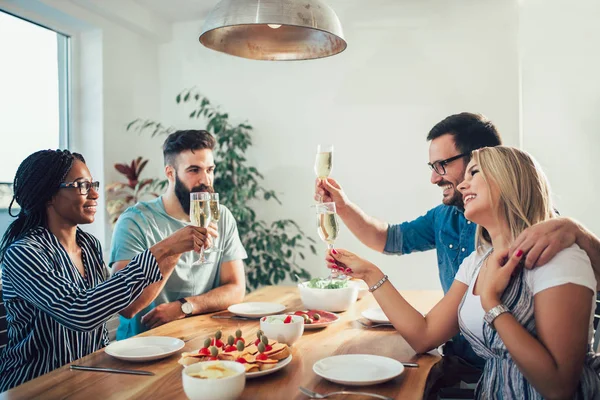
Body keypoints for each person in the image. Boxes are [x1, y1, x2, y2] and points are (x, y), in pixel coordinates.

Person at [315, 112, 600, 368]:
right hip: (463, 361)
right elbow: (387, 238)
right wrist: (342, 206)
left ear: (486, 159)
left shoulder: (546, 235)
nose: (434, 178)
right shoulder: (462, 238)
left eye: (441, 165)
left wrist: (578, 232)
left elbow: (559, 380)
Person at [0, 150, 208, 391]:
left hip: (88, 374)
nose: (95, 194)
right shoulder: (24, 253)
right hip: (36, 386)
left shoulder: (88, 246)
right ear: (48, 195)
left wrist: (173, 250)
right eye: (81, 186)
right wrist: (162, 249)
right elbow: (82, 312)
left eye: (93, 184)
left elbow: (118, 304)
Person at [110, 130, 247, 339]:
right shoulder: (135, 222)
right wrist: (174, 249)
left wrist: (185, 307)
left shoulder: (222, 216)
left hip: (200, 340)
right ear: (170, 173)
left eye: (210, 170)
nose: (206, 180)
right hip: (141, 348)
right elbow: (127, 306)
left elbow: (236, 288)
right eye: (194, 170)